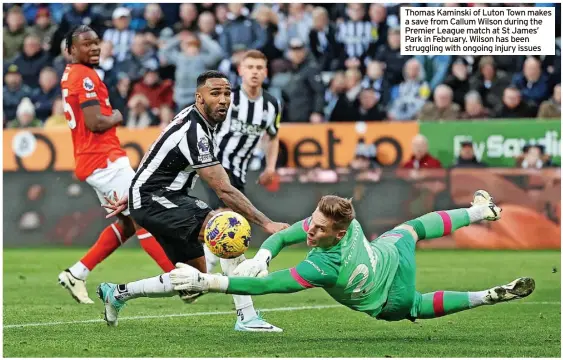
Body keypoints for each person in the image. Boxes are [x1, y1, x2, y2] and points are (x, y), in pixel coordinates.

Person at [98, 70, 288, 332]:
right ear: (199, 98)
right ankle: (247, 317)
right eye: (215, 93)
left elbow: (156, 149)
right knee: (225, 227)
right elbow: (225, 191)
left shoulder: (200, 120)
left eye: (226, 93)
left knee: (192, 284)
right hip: (156, 199)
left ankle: (117, 293)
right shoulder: (195, 130)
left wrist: (133, 192)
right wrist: (267, 223)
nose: (223, 100)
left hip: (158, 197)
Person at [165, 191, 535, 324]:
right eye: (313, 223)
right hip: (387, 258)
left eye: (319, 230)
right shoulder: (343, 222)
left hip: (389, 301)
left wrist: (207, 281)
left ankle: (483, 294)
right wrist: (263, 253)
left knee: (416, 305)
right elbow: (288, 234)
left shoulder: (322, 267)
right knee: (411, 229)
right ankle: (480, 213)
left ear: (338, 233)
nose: (310, 231)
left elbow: (267, 286)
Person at [57, 25, 174, 304]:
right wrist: (118, 115)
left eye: (96, 43)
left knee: (128, 222)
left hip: (98, 159)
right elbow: (95, 122)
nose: (94, 48)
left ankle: (77, 272)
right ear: (71, 50)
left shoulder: (75, 74)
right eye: (86, 44)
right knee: (140, 213)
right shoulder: (83, 76)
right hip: (103, 160)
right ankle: (179, 278)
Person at [203, 50, 282, 272]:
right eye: (250, 67)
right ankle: (211, 272)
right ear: (241, 71)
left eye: (259, 68)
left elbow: (273, 136)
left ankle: (212, 269)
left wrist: (270, 167)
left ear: (265, 72)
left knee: (232, 219)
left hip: (239, 170)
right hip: (216, 162)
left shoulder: (271, 105)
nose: (254, 72)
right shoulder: (228, 98)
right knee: (224, 215)